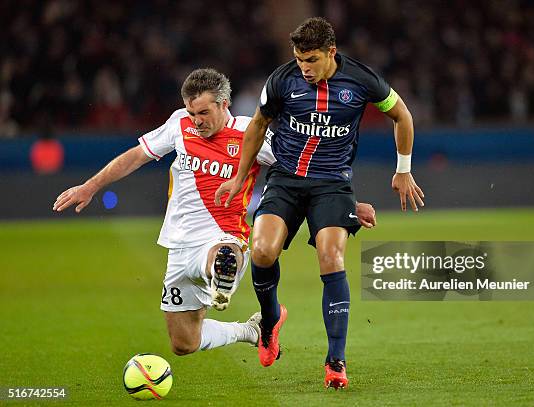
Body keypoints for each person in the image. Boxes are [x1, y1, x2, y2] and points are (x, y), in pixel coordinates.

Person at [52, 68, 377, 358]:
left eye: (204, 112)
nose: (197, 120)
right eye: (193, 112)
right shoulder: (179, 124)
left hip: (224, 235)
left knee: (222, 257)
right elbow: (136, 156)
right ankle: (249, 330)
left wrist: (347, 203)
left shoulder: (251, 132)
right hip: (179, 245)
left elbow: (303, 170)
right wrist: (90, 186)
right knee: (183, 343)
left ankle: (222, 270)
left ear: (224, 104)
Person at [215, 17, 425, 389]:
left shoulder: (362, 80)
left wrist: (403, 169)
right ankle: (269, 321)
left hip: (333, 184)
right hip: (285, 178)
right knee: (262, 251)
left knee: (331, 257)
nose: (304, 68)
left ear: (331, 52)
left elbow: (401, 115)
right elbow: (258, 126)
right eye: (299, 60)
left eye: (311, 60)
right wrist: (238, 176)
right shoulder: (282, 79)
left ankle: (336, 360)